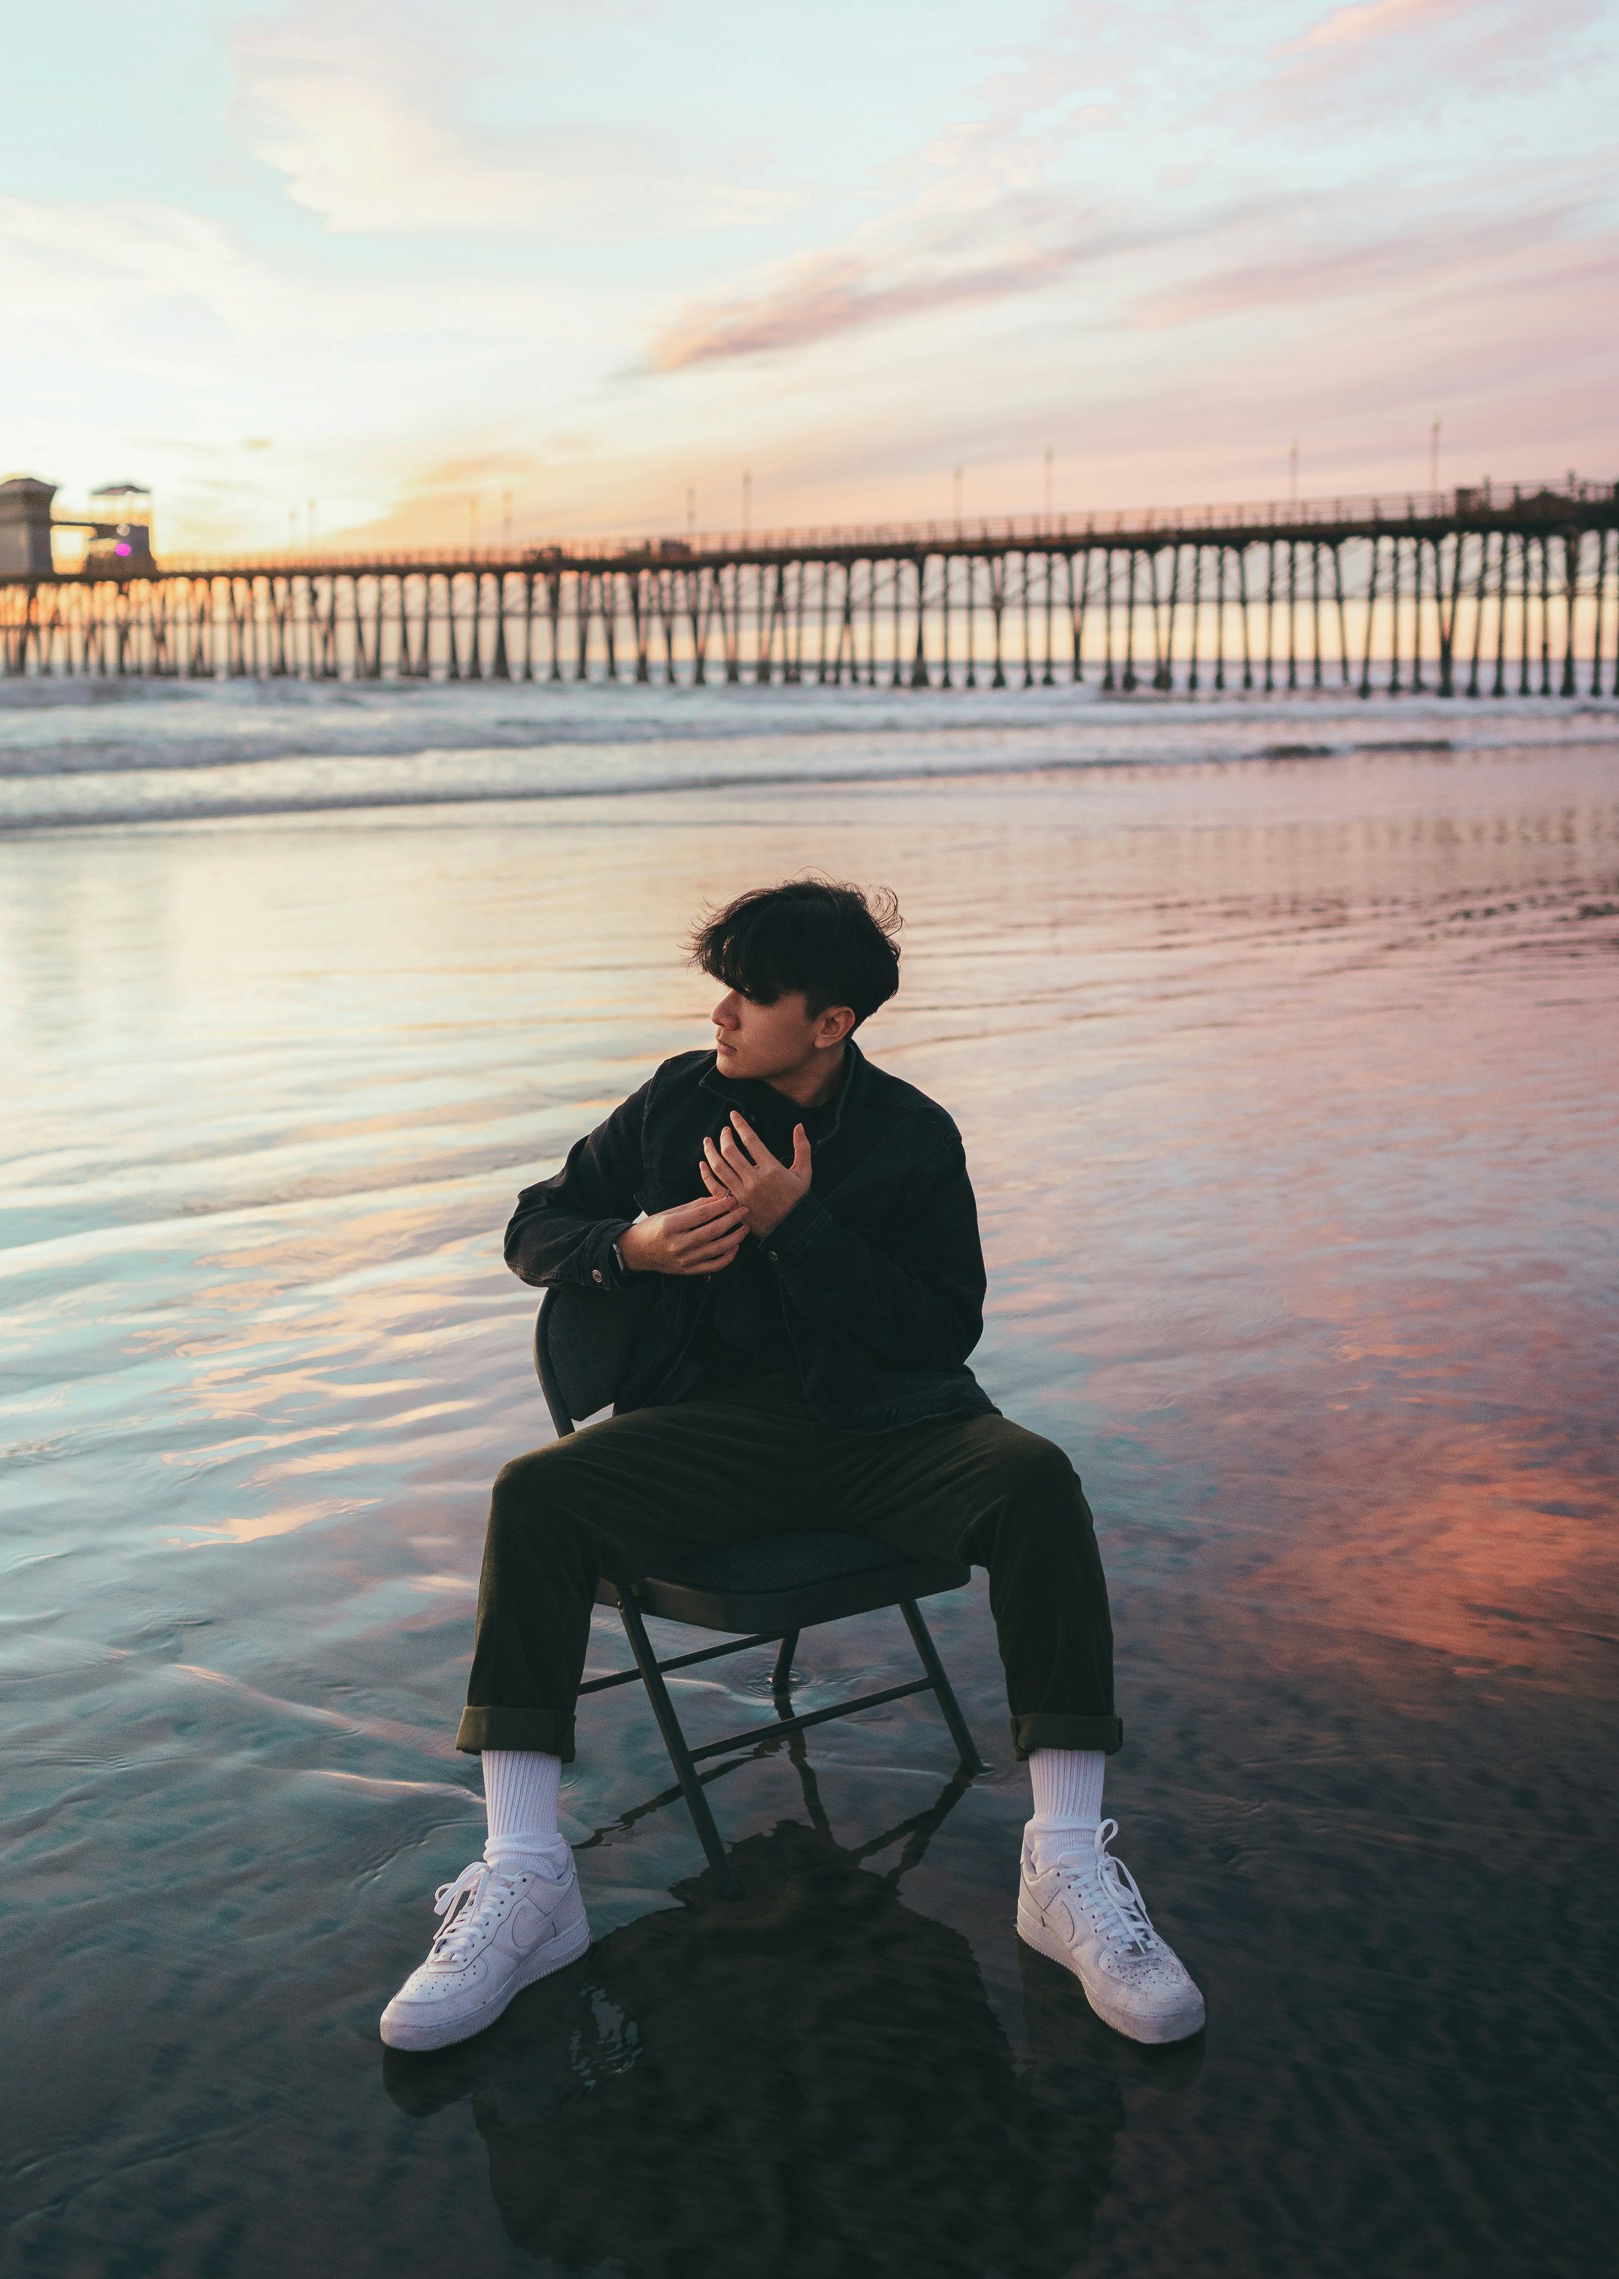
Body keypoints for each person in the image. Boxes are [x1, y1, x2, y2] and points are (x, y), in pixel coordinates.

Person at [379, 879, 1204, 2055]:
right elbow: (534, 1227)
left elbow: (940, 1331)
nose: (721, 1013)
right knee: (535, 1493)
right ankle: (524, 1879)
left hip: (894, 1429)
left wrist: (798, 1228)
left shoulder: (913, 1136)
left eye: (752, 994)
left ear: (832, 1022)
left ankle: (1065, 1865)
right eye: (722, 988)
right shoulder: (675, 1101)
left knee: (1037, 1481)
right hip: (711, 1434)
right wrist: (635, 1244)